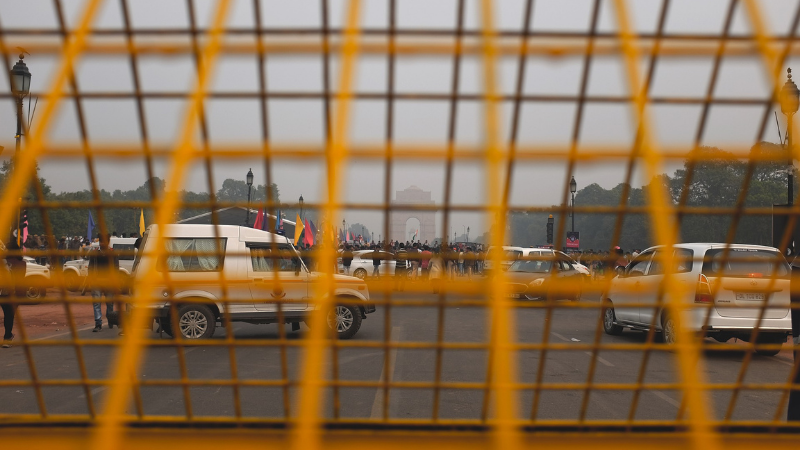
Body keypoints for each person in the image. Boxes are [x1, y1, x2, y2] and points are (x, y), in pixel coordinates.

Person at [89, 234, 119, 332]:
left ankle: (110, 319)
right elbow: (90, 267)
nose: (103, 243)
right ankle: (98, 323)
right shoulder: (94, 253)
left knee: (109, 303)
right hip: (96, 281)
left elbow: (116, 268)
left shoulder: (113, 253)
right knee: (96, 303)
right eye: (102, 241)